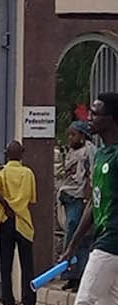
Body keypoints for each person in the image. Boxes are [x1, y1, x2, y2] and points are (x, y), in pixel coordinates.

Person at [63, 93, 118, 305]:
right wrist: (71, 246)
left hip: (112, 244)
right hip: (102, 240)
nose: (90, 119)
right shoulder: (102, 156)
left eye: (96, 114)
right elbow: (91, 204)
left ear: (111, 118)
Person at [0, 140, 38, 305]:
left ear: (6, 154)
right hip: (24, 223)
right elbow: (32, 200)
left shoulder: (0, 172)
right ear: (22, 153)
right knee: (27, 267)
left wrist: (7, 206)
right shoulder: (28, 173)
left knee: (6, 264)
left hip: (6, 221)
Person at [58, 121, 95, 291]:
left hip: (80, 198)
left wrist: (88, 199)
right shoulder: (72, 152)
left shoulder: (88, 151)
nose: (70, 138)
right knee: (70, 235)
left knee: (78, 237)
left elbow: (89, 176)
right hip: (68, 197)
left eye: (74, 134)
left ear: (82, 135)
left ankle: (79, 276)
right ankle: (70, 276)